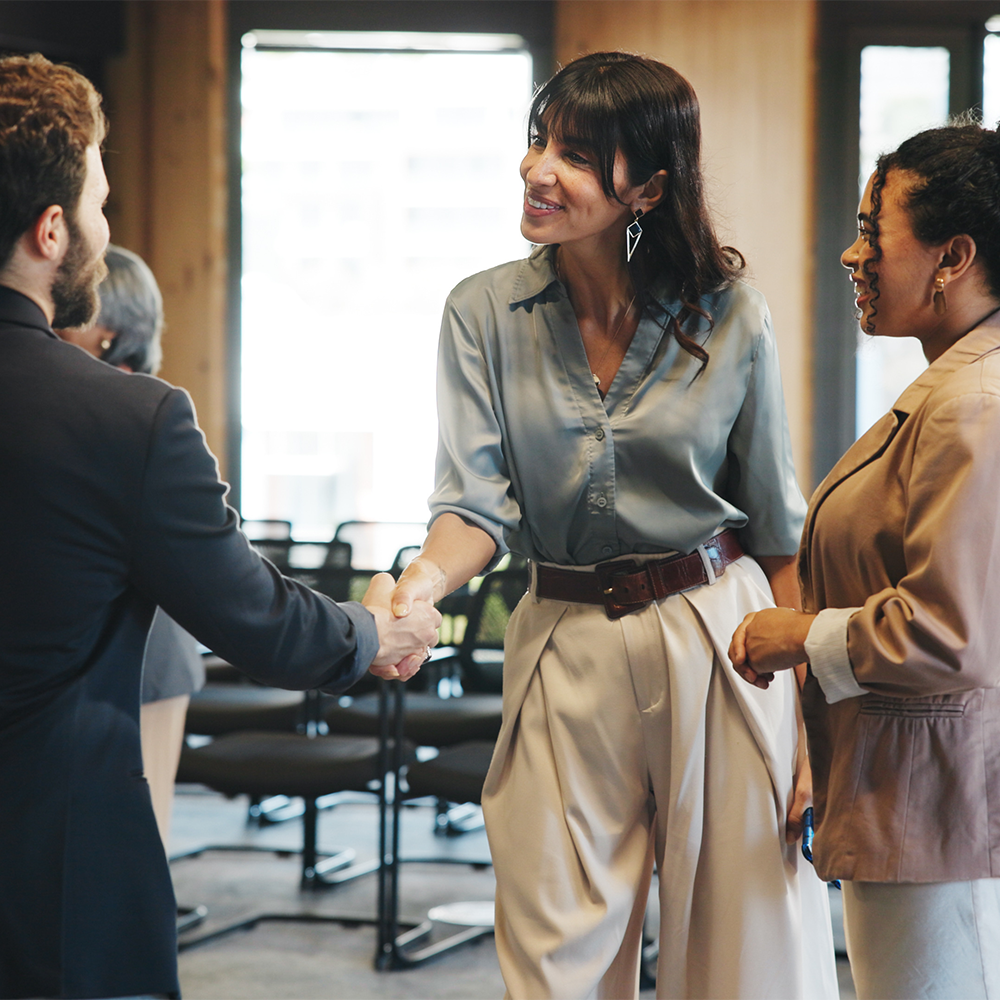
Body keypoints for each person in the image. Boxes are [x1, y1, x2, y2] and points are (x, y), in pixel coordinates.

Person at [388, 51, 837, 1000]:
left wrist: (805, 730)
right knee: (551, 955)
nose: (539, 170)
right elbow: (472, 507)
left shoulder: (731, 315)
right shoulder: (483, 312)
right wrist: (423, 585)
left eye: (579, 155)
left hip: (720, 634)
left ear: (650, 186)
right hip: (561, 633)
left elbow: (775, 531)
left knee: (740, 951)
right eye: (538, 141)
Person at [0, 53, 440, 1000]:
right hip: (54, 878)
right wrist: (378, 631)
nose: (104, 227)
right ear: (49, 230)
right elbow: (254, 617)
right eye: (98, 205)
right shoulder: (128, 421)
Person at [729, 121, 1000, 1000]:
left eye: (871, 232)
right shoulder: (953, 388)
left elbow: (951, 630)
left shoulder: (970, 407)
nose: (853, 256)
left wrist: (797, 636)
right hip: (912, 792)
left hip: (941, 805)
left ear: (952, 256)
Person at [57, 244, 206, 850]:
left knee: (137, 845)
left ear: (109, 332)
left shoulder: (139, 413)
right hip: (75, 664)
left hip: (146, 661)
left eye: (69, 309)